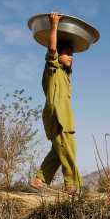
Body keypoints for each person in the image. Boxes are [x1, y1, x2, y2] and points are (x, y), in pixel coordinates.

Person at [30, 12, 81, 195]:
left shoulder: (66, 74)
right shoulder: (52, 68)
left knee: (58, 151)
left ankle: (39, 179)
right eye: (67, 54)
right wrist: (54, 26)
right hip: (56, 115)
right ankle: (71, 184)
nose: (71, 57)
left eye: (72, 54)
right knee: (67, 149)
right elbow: (52, 50)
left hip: (66, 117)